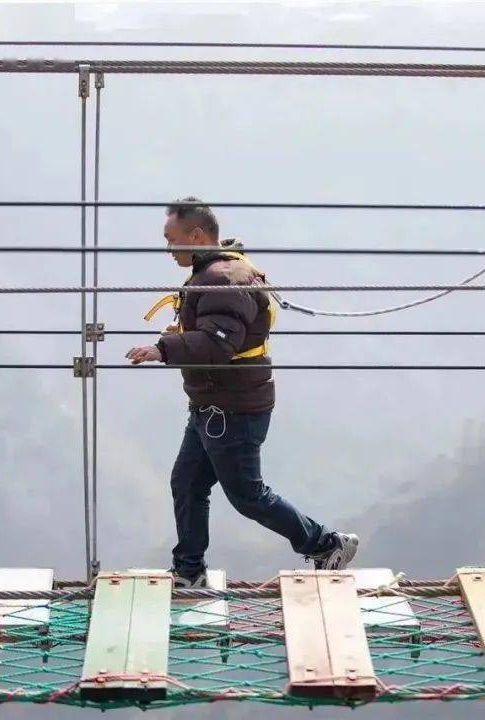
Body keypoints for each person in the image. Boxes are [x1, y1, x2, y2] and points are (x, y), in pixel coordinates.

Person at [126, 197, 359, 587]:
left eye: (172, 240)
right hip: (212, 404)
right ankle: (188, 570)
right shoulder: (216, 272)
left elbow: (219, 344)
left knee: (248, 495)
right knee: (187, 482)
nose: (168, 249)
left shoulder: (221, 279)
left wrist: (163, 349)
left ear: (196, 235)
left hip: (231, 410)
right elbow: (213, 331)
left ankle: (325, 544)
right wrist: (179, 336)